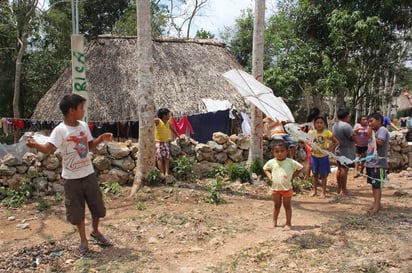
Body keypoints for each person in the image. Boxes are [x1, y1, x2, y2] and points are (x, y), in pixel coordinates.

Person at [26, 94, 113, 258]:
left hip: (88, 173)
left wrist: (100, 139)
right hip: (71, 178)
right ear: (72, 111)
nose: (83, 111)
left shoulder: (83, 126)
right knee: (76, 210)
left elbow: (88, 147)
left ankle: (95, 231)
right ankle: (83, 241)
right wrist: (35, 145)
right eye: (81, 108)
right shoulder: (60, 130)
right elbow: (48, 149)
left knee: (97, 206)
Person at [263, 140, 303, 230]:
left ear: (287, 151)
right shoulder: (272, 162)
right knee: (276, 206)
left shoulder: (290, 162)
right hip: (275, 189)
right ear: (273, 152)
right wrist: (269, 175)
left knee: (287, 206)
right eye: (277, 151)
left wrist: (293, 176)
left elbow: (300, 167)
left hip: (287, 189)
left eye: (282, 151)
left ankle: (288, 223)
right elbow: (265, 168)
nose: (279, 153)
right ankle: (274, 221)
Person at [308, 116, 339, 198]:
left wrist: (330, 149)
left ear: (324, 124)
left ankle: (323, 192)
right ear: (314, 124)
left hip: (323, 157)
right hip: (314, 156)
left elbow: (336, 142)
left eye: (321, 123)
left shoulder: (327, 133)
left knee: (323, 175)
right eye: (317, 123)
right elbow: (306, 141)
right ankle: (314, 190)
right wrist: (309, 148)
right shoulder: (311, 132)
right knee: (314, 174)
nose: (319, 124)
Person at [365, 112, 389, 214]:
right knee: (373, 185)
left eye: (371, 121)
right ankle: (376, 203)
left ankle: (377, 206)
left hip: (378, 164)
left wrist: (370, 135)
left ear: (379, 120)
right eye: (369, 122)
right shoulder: (375, 131)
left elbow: (380, 143)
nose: (370, 124)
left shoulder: (382, 130)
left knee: (377, 185)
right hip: (371, 163)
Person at [332, 108, 356, 196]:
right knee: (344, 169)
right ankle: (344, 189)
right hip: (346, 149)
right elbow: (352, 138)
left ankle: (339, 188)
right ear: (346, 116)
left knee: (339, 168)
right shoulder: (346, 126)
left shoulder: (335, 125)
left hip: (339, 149)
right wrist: (355, 135)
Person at [155, 108, 179, 177]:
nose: (169, 116)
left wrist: (178, 135)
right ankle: (162, 172)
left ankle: (166, 172)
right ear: (164, 115)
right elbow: (152, 120)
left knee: (166, 157)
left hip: (165, 142)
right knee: (159, 158)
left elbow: (172, 129)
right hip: (158, 142)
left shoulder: (168, 122)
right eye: (168, 114)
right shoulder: (158, 121)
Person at [303, 107, 320, 180]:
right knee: (312, 161)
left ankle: (308, 177)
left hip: (308, 142)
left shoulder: (308, 122)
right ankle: (309, 177)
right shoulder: (316, 122)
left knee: (310, 161)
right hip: (313, 143)